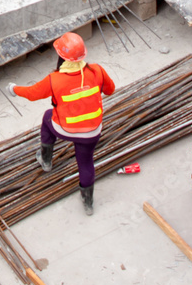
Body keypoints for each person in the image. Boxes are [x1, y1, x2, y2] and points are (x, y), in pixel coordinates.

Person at [8, 32, 115, 215]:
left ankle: (46, 160)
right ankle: (88, 204)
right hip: (92, 133)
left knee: (47, 117)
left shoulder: (55, 79)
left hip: (65, 129)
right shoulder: (96, 70)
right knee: (86, 163)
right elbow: (110, 90)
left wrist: (14, 89)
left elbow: (32, 93)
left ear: (61, 55)